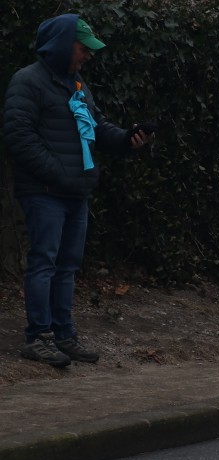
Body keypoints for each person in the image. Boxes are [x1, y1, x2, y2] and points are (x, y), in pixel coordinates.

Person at [3, 14, 153, 368]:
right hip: (44, 191)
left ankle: (64, 335)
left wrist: (128, 139)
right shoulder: (27, 81)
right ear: (61, 45)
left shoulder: (77, 84)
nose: (88, 55)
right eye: (83, 48)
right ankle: (38, 338)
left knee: (67, 266)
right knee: (44, 262)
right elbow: (18, 136)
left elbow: (97, 127)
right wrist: (59, 174)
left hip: (75, 192)